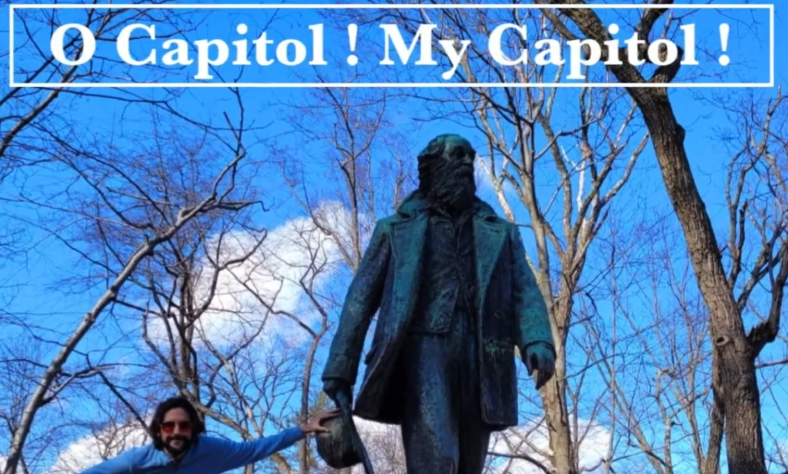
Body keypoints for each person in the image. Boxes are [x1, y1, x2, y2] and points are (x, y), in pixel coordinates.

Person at [320, 134, 556, 474]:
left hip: (483, 353)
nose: (467, 163)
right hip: (422, 350)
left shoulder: (500, 233)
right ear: (432, 167)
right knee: (436, 458)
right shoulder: (395, 230)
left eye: (470, 156)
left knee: (470, 464)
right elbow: (359, 301)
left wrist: (537, 339)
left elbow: (524, 290)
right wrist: (341, 368)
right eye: (458, 154)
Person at [77, 396, 340, 474]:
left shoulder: (212, 451)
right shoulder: (138, 460)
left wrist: (302, 429)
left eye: (184, 426)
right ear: (158, 430)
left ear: (194, 429)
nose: (177, 432)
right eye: (169, 426)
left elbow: (254, 449)